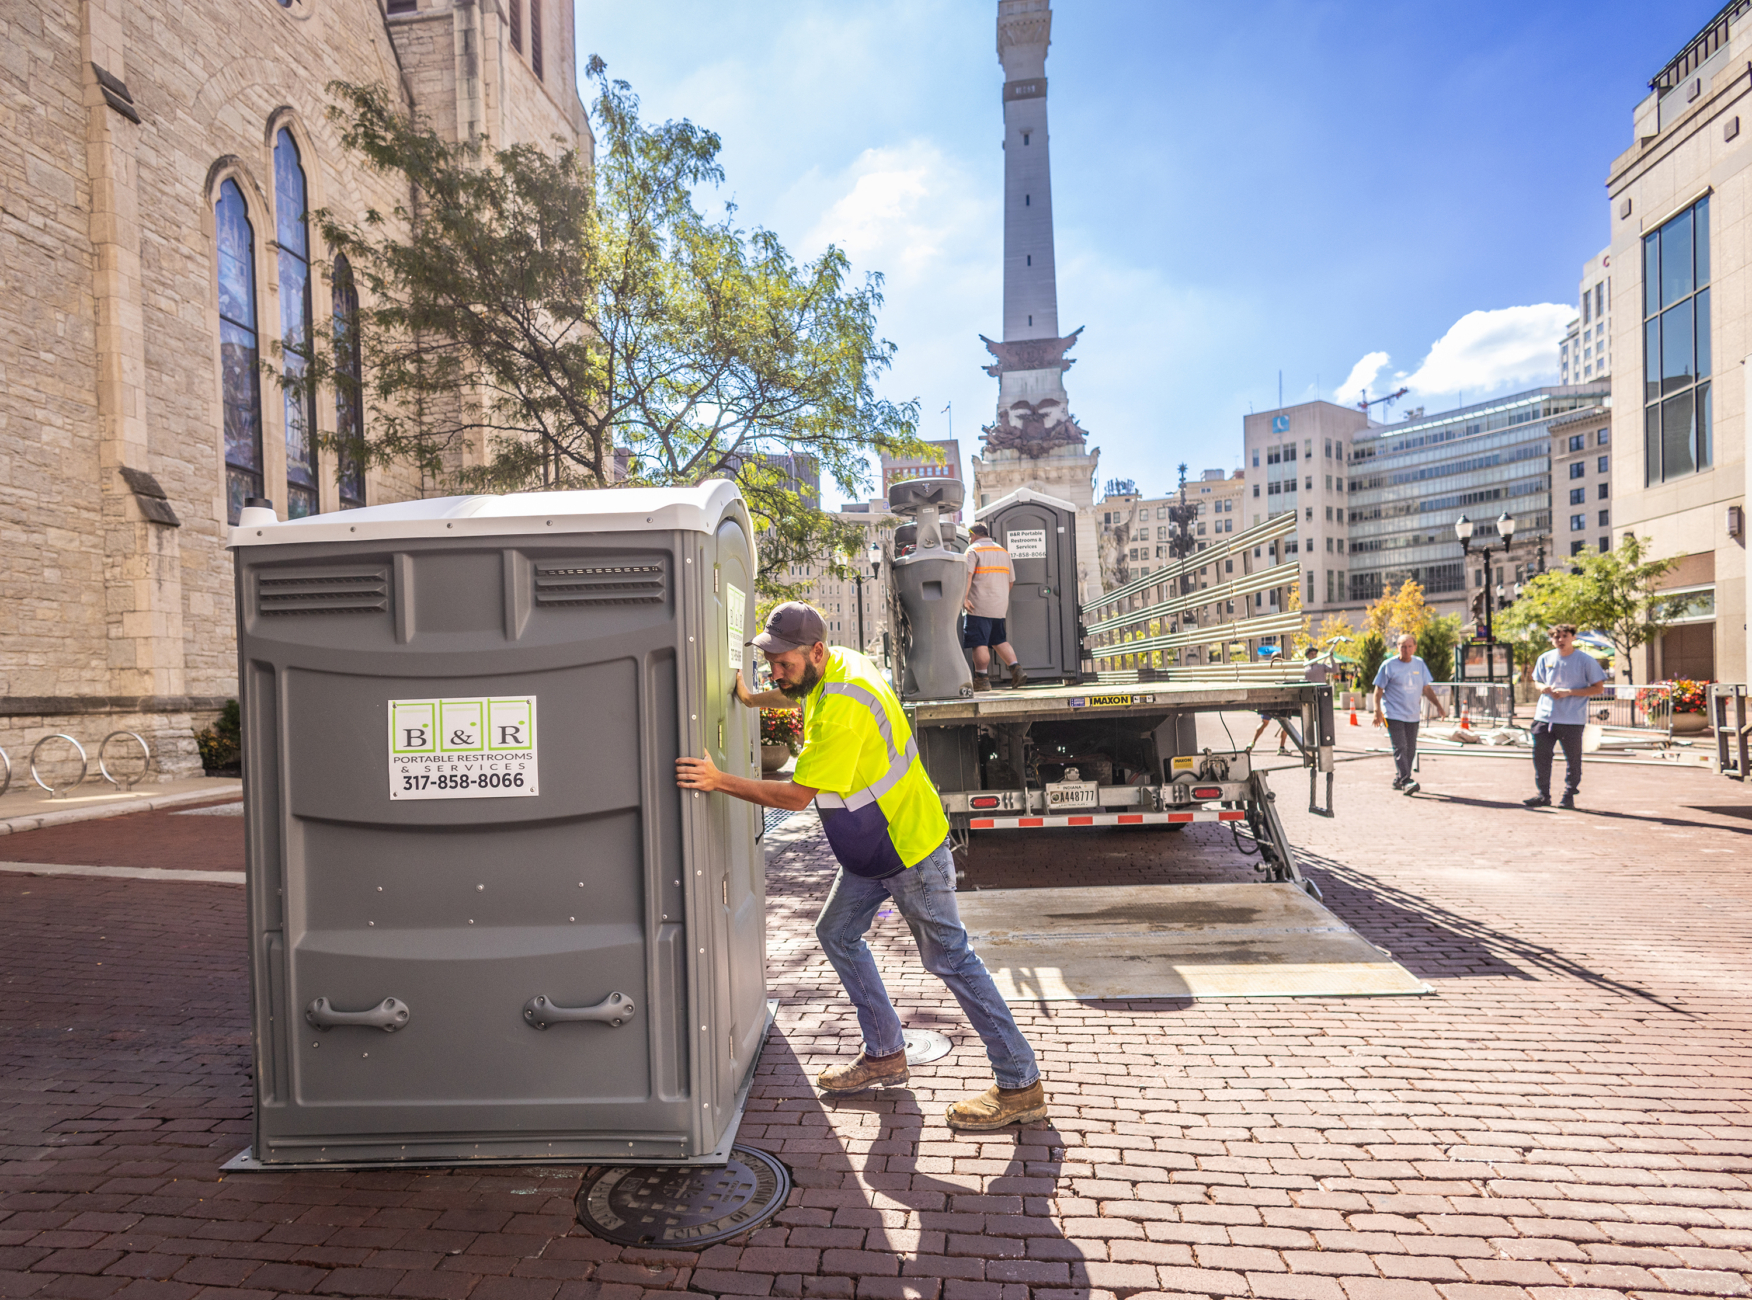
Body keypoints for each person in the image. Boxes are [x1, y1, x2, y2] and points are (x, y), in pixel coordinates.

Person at [678, 601, 1046, 1132]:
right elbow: (798, 690)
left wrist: (718, 780)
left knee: (951, 960)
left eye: (783, 663)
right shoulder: (837, 666)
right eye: (771, 663)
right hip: (875, 852)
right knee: (837, 933)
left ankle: (1020, 1083)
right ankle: (885, 1053)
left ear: (815, 652)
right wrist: (753, 698)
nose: (776, 672)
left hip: (907, 850)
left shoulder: (842, 709)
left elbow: (797, 796)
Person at [1523, 622, 1607, 810]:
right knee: (1541, 757)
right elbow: (1537, 681)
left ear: (1573, 638)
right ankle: (1543, 794)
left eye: (1564, 636)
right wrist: (1542, 687)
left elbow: (1598, 688)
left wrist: (1569, 692)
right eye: (1556, 637)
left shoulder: (1585, 660)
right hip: (1544, 717)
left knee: (1573, 759)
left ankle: (1569, 795)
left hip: (1572, 719)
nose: (1560, 640)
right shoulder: (1545, 658)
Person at [1372, 632, 1447, 795]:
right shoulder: (1388, 665)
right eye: (1402, 646)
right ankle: (1406, 780)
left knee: (1411, 749)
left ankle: (1399, 779)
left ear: (1415, 648)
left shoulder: (1419, 664)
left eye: (1409, 646)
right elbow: (1378, 689)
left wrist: (1438, 706)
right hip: (1393, 713)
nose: (1405, 650)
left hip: (1413, 714)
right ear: (1397, 647)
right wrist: (1377, 711)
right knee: (1400, 746)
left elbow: (1426, 688)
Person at [962, 523, 1027, 692]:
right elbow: (1011, 581)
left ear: (973, 535)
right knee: (999, 640)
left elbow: (968, 575)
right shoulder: (1003, 551)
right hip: (999, 606)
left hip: (978, 605)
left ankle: (982, 679)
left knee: (979, 642)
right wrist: (999, 598)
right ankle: (1016, 669)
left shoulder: (973, 550)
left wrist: (964, 598)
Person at [1250, 646, 1329, 755]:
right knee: (1285, 724)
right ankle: (1281, 747)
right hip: (1281, 701)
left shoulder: (1270, 670)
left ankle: (1253, 743)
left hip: (1270, 701)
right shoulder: (1285, 670)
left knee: (1266, 723)